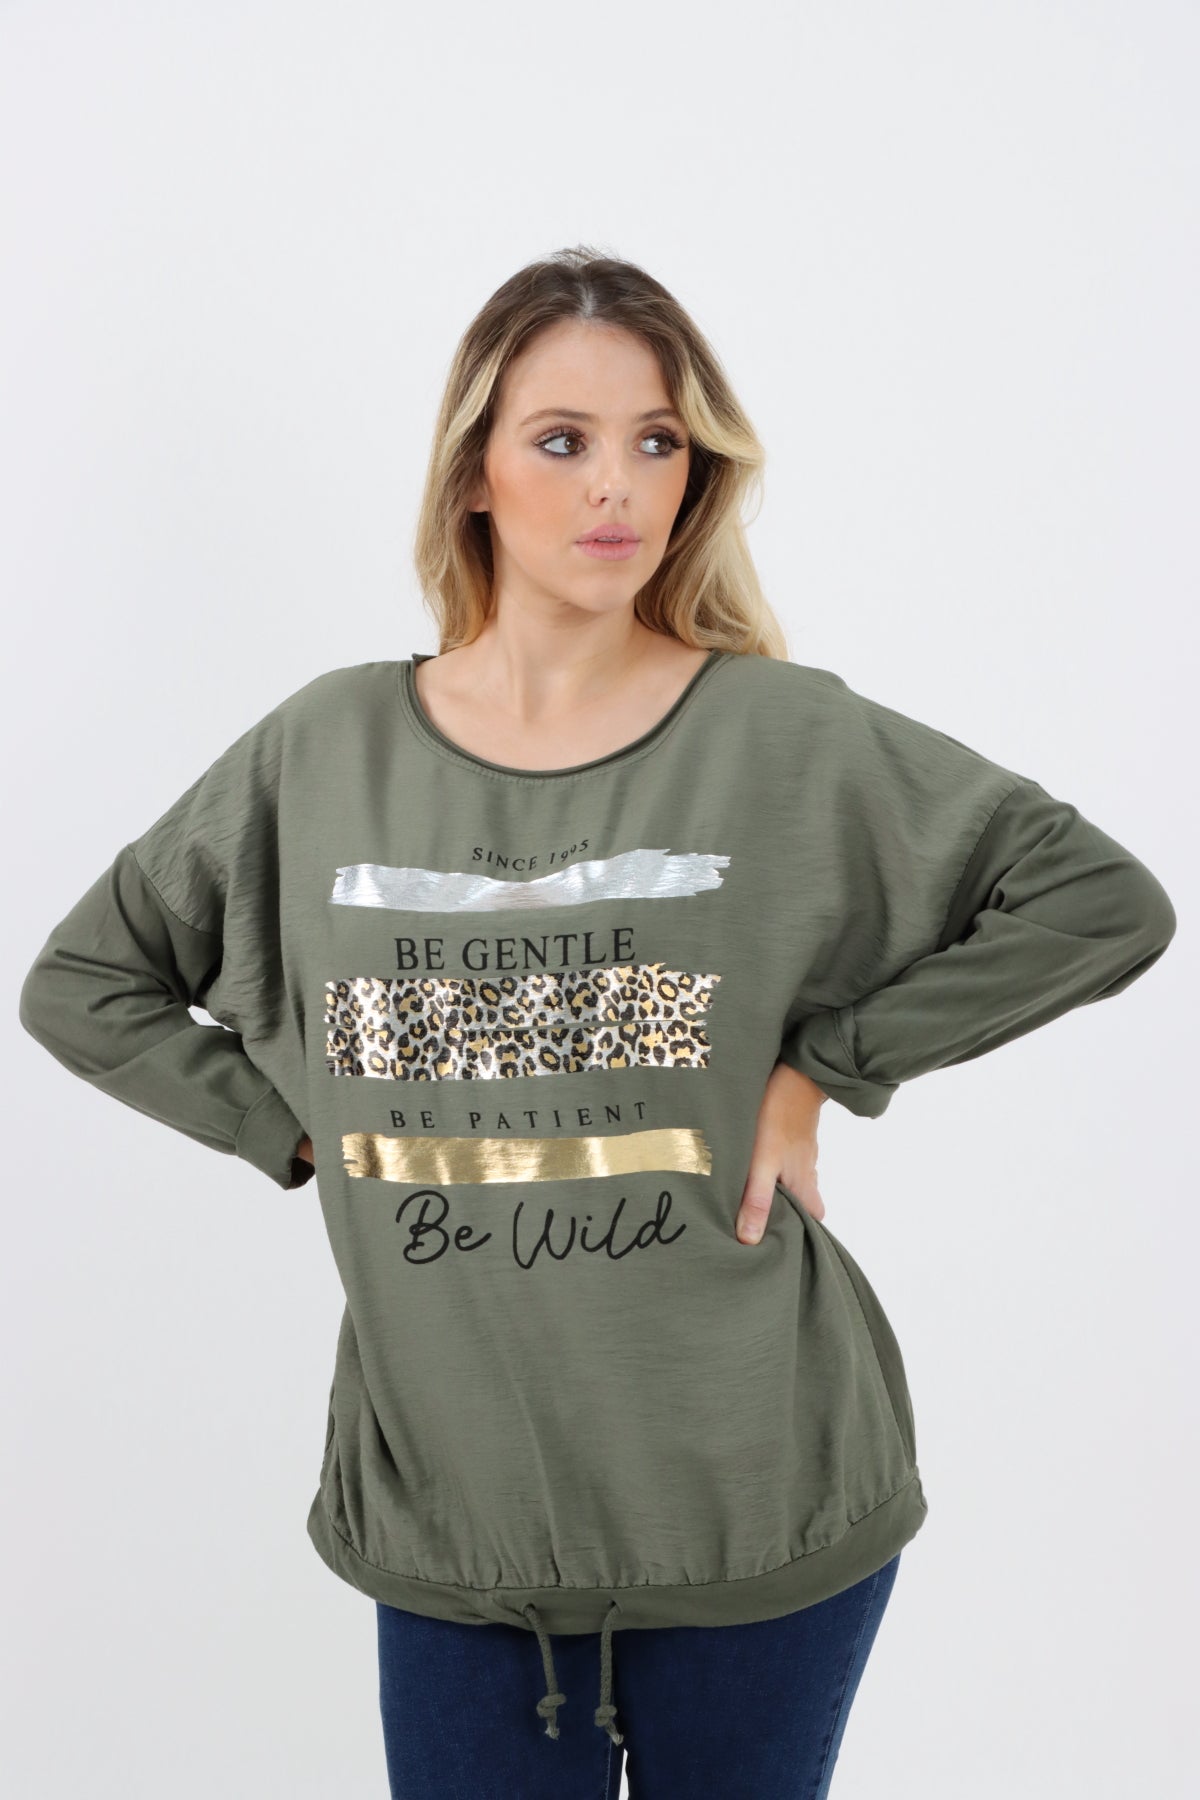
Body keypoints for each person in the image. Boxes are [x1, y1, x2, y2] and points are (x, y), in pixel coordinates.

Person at [18, 246, 1176, 1800]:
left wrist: (824, 1069)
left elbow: (1099, 900)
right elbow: (84, 983)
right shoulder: (325, 750)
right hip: (459, 1524)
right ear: (474, 472)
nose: (616, 485)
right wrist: (295, 1131)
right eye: (561, 440)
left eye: (658, 441)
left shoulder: (782, 735)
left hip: (763, 1502)